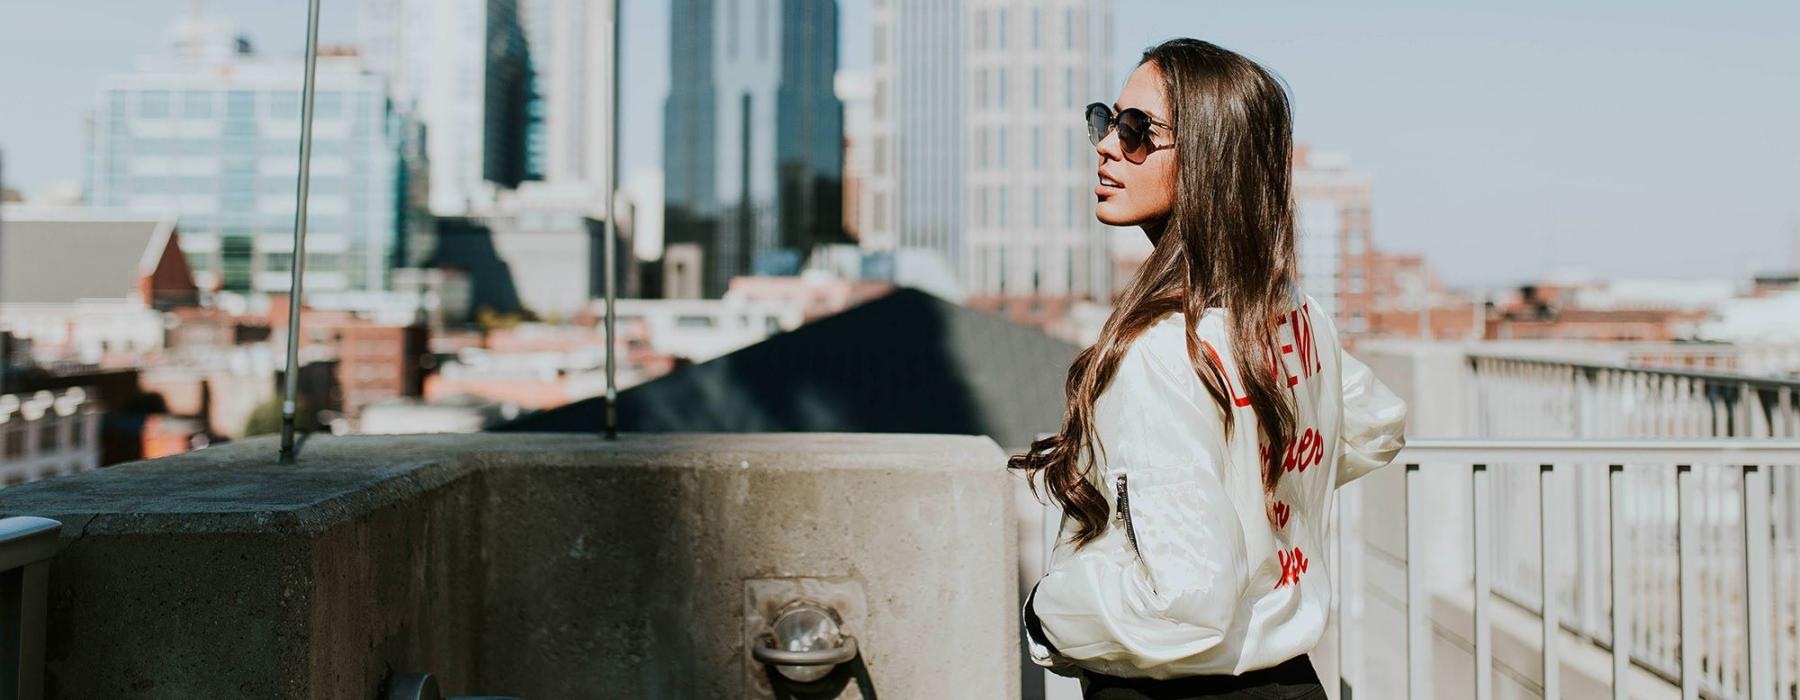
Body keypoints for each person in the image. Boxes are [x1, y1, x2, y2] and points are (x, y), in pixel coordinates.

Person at [1008, 38, 1409, 699]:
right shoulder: (1288, 313)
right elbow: (1374, 424)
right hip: (1290, 680)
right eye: (1108, 121)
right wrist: (1258, 496)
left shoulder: (1161, 350)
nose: (1107, 145)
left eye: (1137, 132)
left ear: (1208, 159)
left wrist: (1048, 614)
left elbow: (1184, 604)